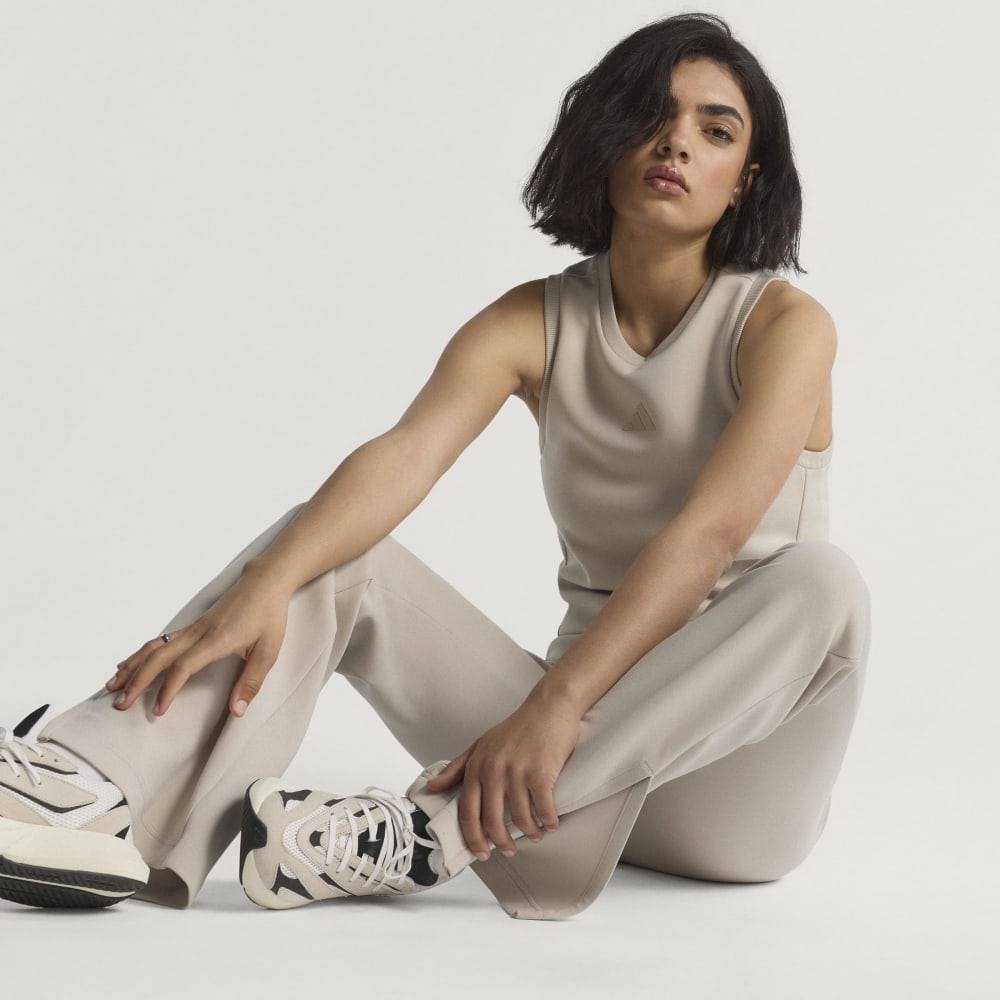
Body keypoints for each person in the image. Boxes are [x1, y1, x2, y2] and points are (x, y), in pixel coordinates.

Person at [0, 12, 870, 917]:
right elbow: (404, 456)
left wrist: (556, 706)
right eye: (653, 113)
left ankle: (427, 836)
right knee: (330, 553)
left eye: (716, 131)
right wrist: (265, 582)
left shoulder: (784, 327)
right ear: (606, 136)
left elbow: (711, 535)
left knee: (824, 582)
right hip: (544, 777)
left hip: (731, 788)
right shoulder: (532, 321)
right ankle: (95, 790)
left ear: (745, 181)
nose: (677, 142)